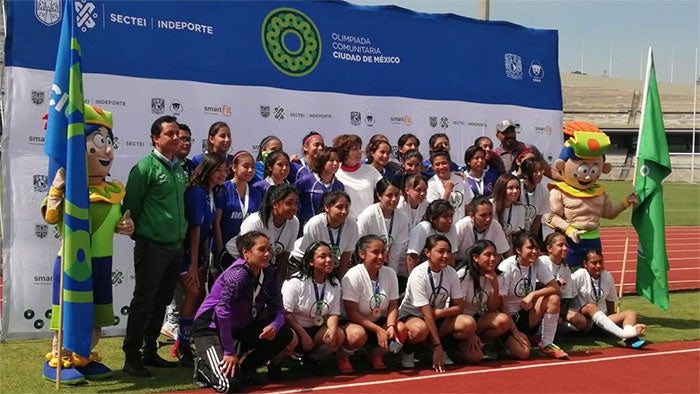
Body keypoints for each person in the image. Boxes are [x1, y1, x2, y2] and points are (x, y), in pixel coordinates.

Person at [41, 105, 135, 383]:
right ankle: (60, 358)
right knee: (69, 310)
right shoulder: (70, 187)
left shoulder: (114, 189)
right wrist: (59, 187)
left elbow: (118, 223)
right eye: (98, 143)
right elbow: (51, 216)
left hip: (102, 262)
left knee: (96, 313)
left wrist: (126, 225)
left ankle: (84, 355)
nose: (107, 151)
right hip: (73, 262)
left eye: (109, 143)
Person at [122, 115, 189, 377]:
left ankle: (150, 351)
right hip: (151, 246)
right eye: (170, 134)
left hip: (175, 247)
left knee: (161, 302)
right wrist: (143, 236)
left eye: (179, 135)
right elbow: (131, 208)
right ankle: (131, 356)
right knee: (144, 302)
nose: (176, 138)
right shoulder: (145, 168)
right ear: (155, 138)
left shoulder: (180, 169)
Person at [191, 231, 295, 392]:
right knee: (229, 385)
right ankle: (203, 367)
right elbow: (222, 312)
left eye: (269, 249)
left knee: (285, 333)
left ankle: (246, 368)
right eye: (261, 250)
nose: (268, 254)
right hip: (210, 329)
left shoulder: (269, 273)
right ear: (246, 253)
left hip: (240, 329)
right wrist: (228, 351)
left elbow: (279, 310)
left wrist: (274, 325)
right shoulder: (238, 275)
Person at [545, 128, 637, 268]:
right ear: (562, 166)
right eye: (583, 170)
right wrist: (570, 230)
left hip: (594, 240)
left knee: (595, 274)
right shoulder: (560, 192)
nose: (588, 176)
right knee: (571, 275)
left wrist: (625, 202)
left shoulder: (599, 193)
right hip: (570, 242)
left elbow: (609, 213)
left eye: (593, 171)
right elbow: (552, 217)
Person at [174, 153, 228, 367]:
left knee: (200, 295)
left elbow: (207, 229)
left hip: (200, 253)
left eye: (225, 170)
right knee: (194, 292)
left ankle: (188, 341)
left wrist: (207, 258)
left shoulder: (212, 192)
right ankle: (182, 345)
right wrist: (194, 265)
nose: (223, 173)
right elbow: (195, 230)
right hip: (186, 252)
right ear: (208, 170)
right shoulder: (196, 192)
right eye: (219, 170)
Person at [399, 235, 478, 371]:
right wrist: (437, 346)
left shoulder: (451, 273)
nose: (446, 256)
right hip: (413, 316)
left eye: (448, 251)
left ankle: (442, 349)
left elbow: (459, 306)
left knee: (468, 323)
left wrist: (441, 312)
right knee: (420, 329)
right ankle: (408, 351)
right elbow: (426, 314)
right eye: (441, 251)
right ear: (427, 253)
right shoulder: (418, 274)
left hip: (437, 315)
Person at [498, 230, 568, 359]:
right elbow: (499, 302)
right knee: (523, 353)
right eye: (530, 248)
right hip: (508, 318)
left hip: (526, 314)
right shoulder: (507, 267)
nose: (535, 252)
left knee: (553, 299)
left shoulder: (536, 263)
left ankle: (546, 345)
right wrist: (515, 331)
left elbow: (555, 287)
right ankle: (498, 343)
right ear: (518, 250)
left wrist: (533, 294)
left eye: (536, 248)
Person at [456, 240, 531, 361]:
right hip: (462, 323)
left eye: (495, 255)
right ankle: (453, 348)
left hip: (481, 319)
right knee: (475, 358)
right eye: (488, 255)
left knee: (523, 352)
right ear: (475, 257)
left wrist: (494, 285)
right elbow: (457, 308)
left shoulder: (498, 276)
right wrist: (470, 334)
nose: (493, 259)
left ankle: (487, 344)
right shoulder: (463, 275)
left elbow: (493, 307)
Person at [340, 235, 402, 373]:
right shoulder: (353, 275)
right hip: (354, 322)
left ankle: (376, 354)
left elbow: (393, 305)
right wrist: (378, 330)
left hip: (378, 319)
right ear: (362, 254)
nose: (380, 256)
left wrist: (390, 325)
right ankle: (342, 356)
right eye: (375, 252)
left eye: (383, 252)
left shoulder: (390, 273)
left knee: (401, 329)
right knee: (357, 335)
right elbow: (352, 313)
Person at [282, 241, 346, 374]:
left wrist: (333, 330)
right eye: (322, 257)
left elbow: (334, 313)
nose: (329, 260)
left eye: (330, 256)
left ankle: (311, 359)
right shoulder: (295, 282)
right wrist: (303, 335)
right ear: (311, 262)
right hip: (294, 329)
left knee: (338, 335)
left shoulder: (334, 283)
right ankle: (276, 363)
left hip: (316, 329)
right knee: (287, 337)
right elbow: (286, 313)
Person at [569, 249, 648, 348]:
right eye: (594, 263)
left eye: (600, 262)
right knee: (590, 306)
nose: (598, 266)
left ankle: (630, 339)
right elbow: (568, 297)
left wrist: (614, 321)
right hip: (585, 321)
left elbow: (610, 302)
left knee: (631, 313)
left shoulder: (607, 276)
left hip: (603, 319)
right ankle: (625, 335)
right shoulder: (579, 275)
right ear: (585, 264)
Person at [226, 184, 299, 282]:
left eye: (296, 203)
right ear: (275, 204)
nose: (294, 207)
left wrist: (278, 285)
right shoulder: (255, 222)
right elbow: (245, 254)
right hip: (235, 259)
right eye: (289, 203)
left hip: (263, 264)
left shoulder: (294, 222)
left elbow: (284, 257)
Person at [213, 150, 263, 274]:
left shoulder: (255, 193)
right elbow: (216, 223)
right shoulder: (223, 189)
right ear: (234, 168)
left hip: (247, 253)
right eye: (246, 166)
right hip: (224, 250)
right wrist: (220, 251)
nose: (250, 170)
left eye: (253, 167)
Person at [357, 179, 410, 289]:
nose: (394, 199)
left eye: (397, 195)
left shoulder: (402, 217)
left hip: (386, 265)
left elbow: (396, 252)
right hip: (365, 264)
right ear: (379, 196)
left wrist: (391, 278)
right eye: (389, 195)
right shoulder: (368, 215)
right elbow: (359, 246)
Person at [291, 190, 358, 277]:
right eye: (339, 207)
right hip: (302, 262)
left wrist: (342, 280)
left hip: (327, 264)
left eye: (347, 207)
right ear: (327, 208)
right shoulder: (315, 224)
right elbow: (309, 257)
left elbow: (346, 256)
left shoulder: (351, 223)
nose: (344, 211)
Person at [539, 231, 584, 332]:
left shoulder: (566, 268)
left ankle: (559, 325)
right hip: (541, 303)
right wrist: (557, 283)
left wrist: (559, 313)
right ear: (549, 249)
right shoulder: (542, 262)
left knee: (582, 322)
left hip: (558, 306)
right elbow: (536, 287)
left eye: (566, 246)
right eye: (560, 245)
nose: (565, 248)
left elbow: (566, 297)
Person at [333, 134, 382, 219]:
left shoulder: (370, 169)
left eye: (360, 148)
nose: (359, 152)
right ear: (344, 152)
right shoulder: (336, 172)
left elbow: (385, 188)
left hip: (369, 220)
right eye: (355, 149)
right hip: (347, 222)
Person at [294, 146, 344, 229]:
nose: (335, 164)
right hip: (305, 228)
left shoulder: (339, 186)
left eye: (338, 161)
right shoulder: (306, 180)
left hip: (328, 230)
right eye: (331, 160)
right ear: (322, 161)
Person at [406, 199, 459, 273]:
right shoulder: (423, 228)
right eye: (445, 217)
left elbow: (451, 257)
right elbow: (411, 258)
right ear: (432, 218)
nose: (450, 220)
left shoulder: (451, 228)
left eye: (451, 216)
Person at [455, 195, 510, 262]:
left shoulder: (495, 225)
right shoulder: (462, 226)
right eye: (483, 215)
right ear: (472, 216)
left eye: (490, 214)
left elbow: (500, 253)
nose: (488, 219)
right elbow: (451, 254)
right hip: (463, 264)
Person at [426, 150, 473, 224]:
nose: (441, 167)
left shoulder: (460, 179)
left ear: (450, 163)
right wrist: (447, 191)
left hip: (461, 227)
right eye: (437, 164)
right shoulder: (431, 184)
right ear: (432, 167)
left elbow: (468, 205)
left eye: (444, 163)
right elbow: (436, 211)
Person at [517, 157, 550, 241]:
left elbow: (537, 220)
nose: (539, 174)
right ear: (525, 174)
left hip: (528, 233)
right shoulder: (517, 188)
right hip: (514, 232)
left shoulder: (544, 191)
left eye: (540, 170)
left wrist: (532, 240)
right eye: (535, 171)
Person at [490, 173, 526, 247]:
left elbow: (513, 236)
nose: (515, 191)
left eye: (517, 187)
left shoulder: (519, 208)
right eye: (510, 188)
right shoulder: (490, 205)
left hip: (506, 245)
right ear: (501, 189)